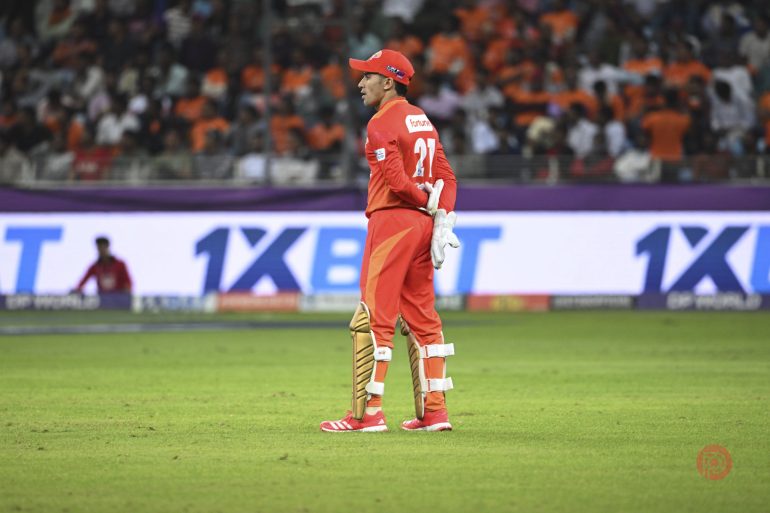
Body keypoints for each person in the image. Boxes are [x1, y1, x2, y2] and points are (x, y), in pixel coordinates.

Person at [320, 49, 459, 433]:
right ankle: (435, 412)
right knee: (424, 319)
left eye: (368, 76)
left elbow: (397, 182)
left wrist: (425, 202)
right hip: (423, 227)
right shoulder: (424, 120)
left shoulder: (381, 122)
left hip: (391, 222)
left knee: (373, 316)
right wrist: (440, 214)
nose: (361, 84)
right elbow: (447, 175)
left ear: (389, 81)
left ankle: (368, 414)